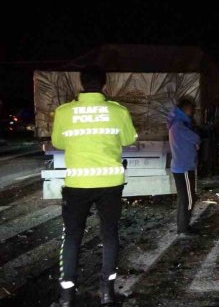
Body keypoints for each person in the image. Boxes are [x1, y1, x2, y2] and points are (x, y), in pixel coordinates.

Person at [51, 65, 137, 306]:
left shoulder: (64, 112)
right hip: (110, 184)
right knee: (110, 234)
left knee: (72, 236)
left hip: (77, 184)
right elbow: (130, 138)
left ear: (81, 83)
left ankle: (66, 296)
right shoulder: (117, 111)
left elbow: (58, 141)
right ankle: (107, 294)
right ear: (104, 85)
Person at [167, 98, 201, 237]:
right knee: (189, 199)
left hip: (181, 166)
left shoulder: (176, 124)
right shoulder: (180, 126)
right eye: (191, 109)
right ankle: (184, 228)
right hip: (185, 168)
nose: (192, 112)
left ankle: (182, 226)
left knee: (184, 198)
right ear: (185, 109)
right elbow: (196, 139)